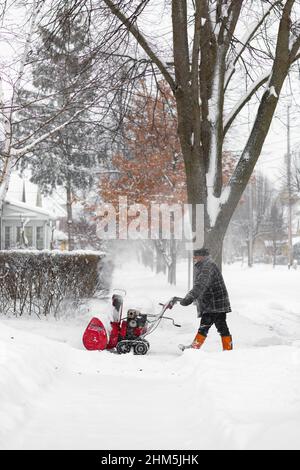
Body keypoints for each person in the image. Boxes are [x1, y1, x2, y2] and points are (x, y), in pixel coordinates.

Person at [180, 248, 233, 351]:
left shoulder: (207, 267)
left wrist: (189, 298)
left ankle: (194, 348)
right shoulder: (207, 265)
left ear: (202, 256)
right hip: (218, 303)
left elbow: (201, 285)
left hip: (213, 303)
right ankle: (228, 350)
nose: (194, 258)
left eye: (196, 256)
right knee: (222, 327)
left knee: (204, 325)